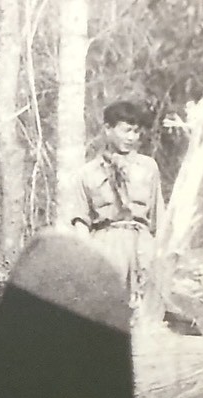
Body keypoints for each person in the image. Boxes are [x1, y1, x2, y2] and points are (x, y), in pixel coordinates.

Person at [67, 100, 166, 324]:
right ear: (108, 129)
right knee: (106, 314)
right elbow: (81, 220)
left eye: (136, 131)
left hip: (142, 245)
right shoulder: (87, 173)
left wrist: (159, 254)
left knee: (146, 315)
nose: (131, 137)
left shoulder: (148, 167)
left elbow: (159, 216)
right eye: (125, 130)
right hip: (107, 245)